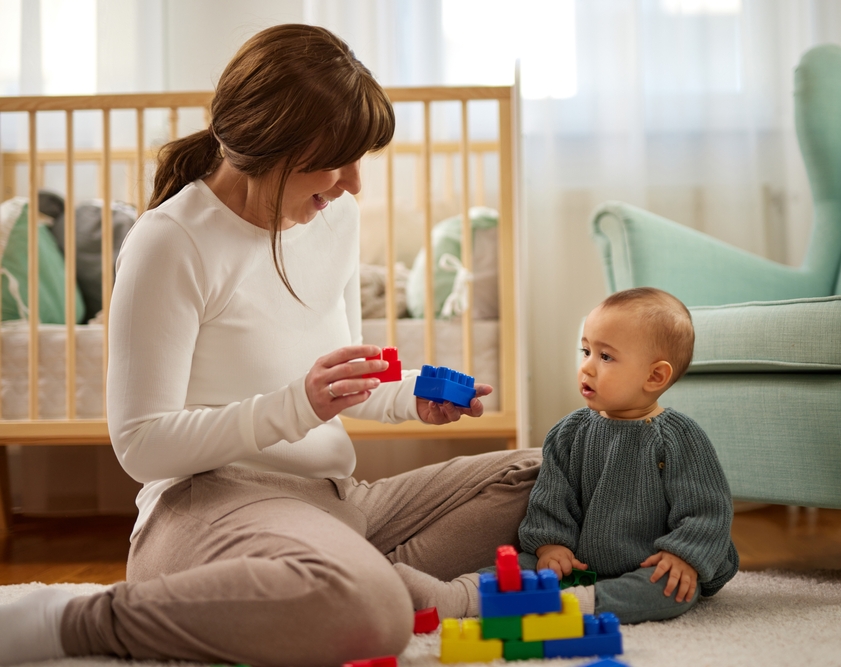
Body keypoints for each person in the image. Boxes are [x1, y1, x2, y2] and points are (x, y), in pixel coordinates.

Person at [0, 24, 539, 667]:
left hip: (337, 500)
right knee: (372, 614)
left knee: (554, 468)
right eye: (335, 160)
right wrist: (295, 406)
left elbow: (333, 376)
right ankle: (80, 620)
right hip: (214, 503)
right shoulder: (169, 240)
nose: (354, 184)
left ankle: (324, 585)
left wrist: (406, 397)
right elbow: (142, 445)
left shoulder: (334, 215)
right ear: (266, 145)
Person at [401, 287, 738, 624]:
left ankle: (577, 605)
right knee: (520, 565)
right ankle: (454, 597)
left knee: (671, 588)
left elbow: (707, 508)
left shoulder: (679, 437)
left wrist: (683, 555)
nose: (587, 368)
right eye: (586, 350)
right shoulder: (570, 432)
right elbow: (550, 497)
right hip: (578, 559)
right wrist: (551, 545)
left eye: (605, 357)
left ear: (654, 376)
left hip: (649, 562)